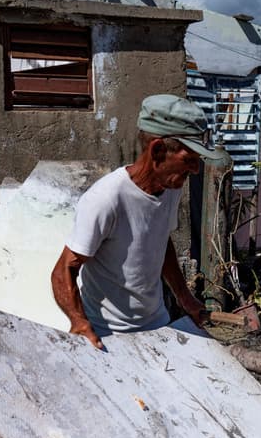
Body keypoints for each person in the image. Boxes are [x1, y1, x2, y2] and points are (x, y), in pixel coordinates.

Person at [51, 94, 229, 350]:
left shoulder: (171, 187)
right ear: (157, 150)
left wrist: (185, 297)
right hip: (109, 336)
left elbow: (160, 240)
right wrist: (79, 322)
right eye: (188, 160)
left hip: (158, 324)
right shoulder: (106, 199)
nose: (195, 170)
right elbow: (63, 271)